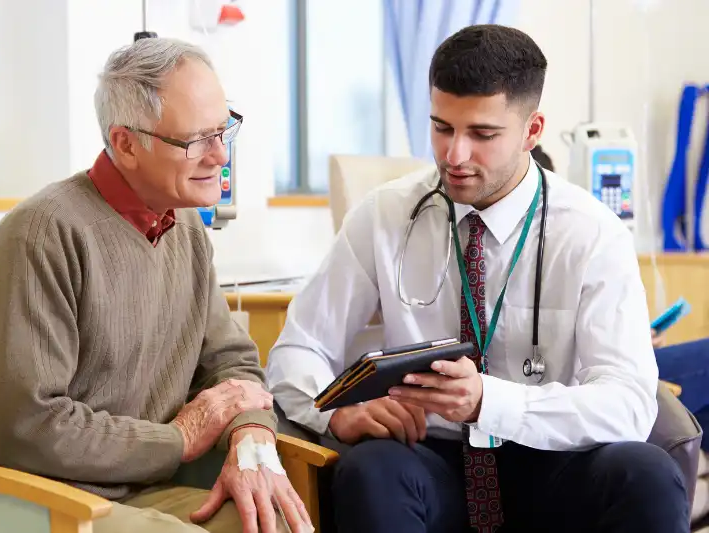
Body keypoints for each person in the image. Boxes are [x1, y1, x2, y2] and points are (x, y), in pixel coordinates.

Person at [266, 24, 689, 533]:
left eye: (483, 135)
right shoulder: (385, 216)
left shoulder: (593, 233)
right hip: (431, 458)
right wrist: (333, 414)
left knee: (646, 474)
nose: (454, 155)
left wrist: (490, 401)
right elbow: (296, 351)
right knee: (372, 470)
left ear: (533, 131)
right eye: (442, 127)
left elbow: (626, 403)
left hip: (551, 459)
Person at [0, 38, 311, 533]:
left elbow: (231, 364)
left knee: (278, 525)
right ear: (125, 143)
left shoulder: (183, 227)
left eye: (224, 129)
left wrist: (251, 435)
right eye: (195, 141)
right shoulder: (42, 235)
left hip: (127, 486)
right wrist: (180, 439)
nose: (219, 155)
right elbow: (28, 432)